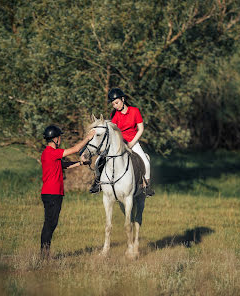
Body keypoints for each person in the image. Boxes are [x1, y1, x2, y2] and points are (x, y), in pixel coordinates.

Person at [40, 125, 94, 258]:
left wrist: (81, 163)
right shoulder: (51, 152)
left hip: (52, 193)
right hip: (52, 193)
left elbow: (64, 166)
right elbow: (76, 149)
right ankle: (44, 254)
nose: (60, 140)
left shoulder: (50, 154)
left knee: (51, 223)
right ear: (55, 139)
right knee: (50, 223)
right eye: (59, 138)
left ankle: (45, 253)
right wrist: (88, 138)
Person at [89, 88, 155, 197]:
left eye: (117, 102)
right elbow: (112, 131)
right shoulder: (114, 115)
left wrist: (132, 143)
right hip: (119, 143)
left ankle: (146, 187)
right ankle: (98, 183)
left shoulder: (135, 111)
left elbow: (141, 129)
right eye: (113, 104)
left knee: (146, 163)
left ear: (123, 99)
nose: (115, 106)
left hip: (133, 141)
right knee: (97, 162)